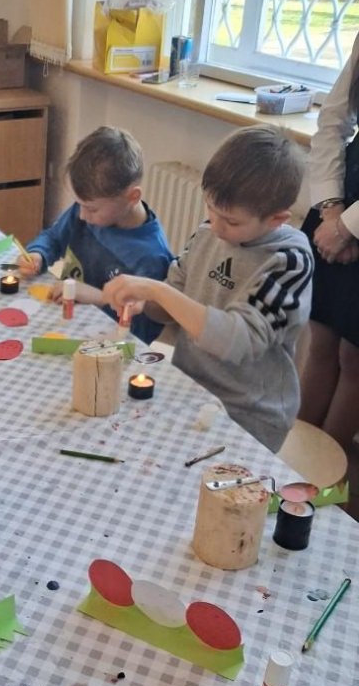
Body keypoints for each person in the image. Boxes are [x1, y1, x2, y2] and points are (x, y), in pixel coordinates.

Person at [103, 126, 313, 452]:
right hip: (190, 389)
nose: (215, 226)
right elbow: (171, 305)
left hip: (249, 414)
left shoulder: (290, 261)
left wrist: (157, 291)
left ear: (277, 219)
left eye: (231, 221)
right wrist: (145, 301)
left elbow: (235, 340)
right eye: (210, 209)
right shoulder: (208, 233)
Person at [16, 126, 174, 343]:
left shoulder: (151, 256)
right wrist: (38, 255)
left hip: (105, 346)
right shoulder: (89, 213)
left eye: (91, 208)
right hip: (64, 321)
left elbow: (140, 331)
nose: (82, 215)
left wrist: (97, 297)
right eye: (79, 204)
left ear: (132, 197)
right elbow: (53, 238)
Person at [298, 30, 359, 455]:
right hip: (343, 193)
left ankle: (324, 478)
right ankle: (293, 461)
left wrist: (349, 227)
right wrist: (332, 210)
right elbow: (334, 122)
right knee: (321, 341)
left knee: (354, 359)